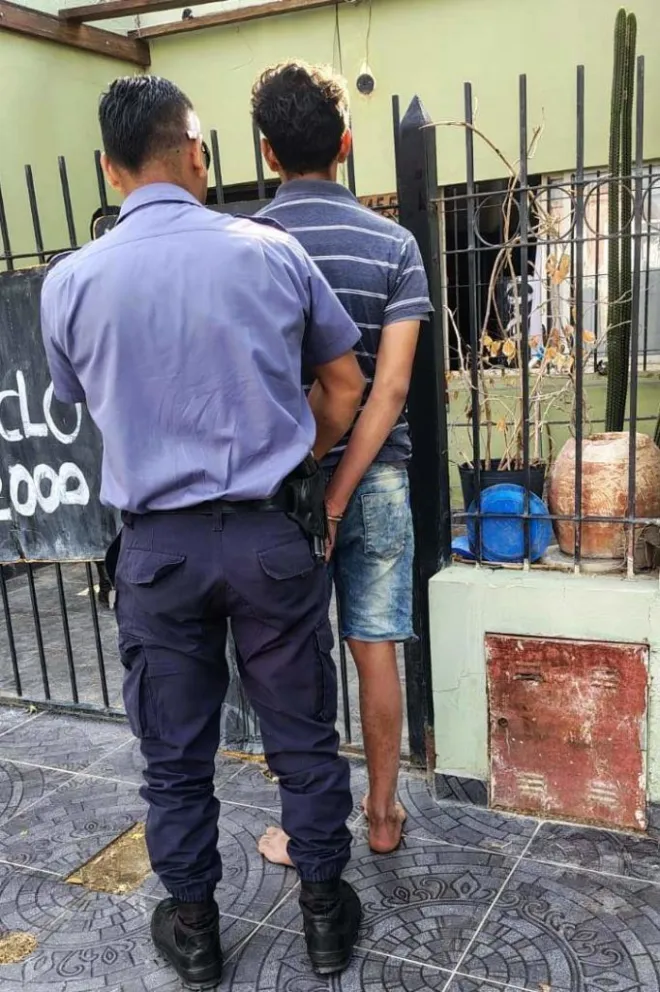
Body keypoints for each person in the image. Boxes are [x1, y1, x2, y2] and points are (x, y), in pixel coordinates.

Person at [40, 74, 366, 989]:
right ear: (198, 153)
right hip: (268, 537)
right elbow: (343, 387)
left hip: (157, 552)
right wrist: (298, 449)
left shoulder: (71, 281)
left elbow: (80, 399)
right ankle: (326, 921)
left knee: (174, 758)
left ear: (110, 168)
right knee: (301, 741)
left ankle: (194, 930)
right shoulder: (271, 253)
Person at [252, 61, 432, 861]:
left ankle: (303, 826)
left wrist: (319, 491)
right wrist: (347, 492)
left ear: (266, 153)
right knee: (375, 645)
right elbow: (387, 392)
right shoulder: (395, 245)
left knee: (293, 656)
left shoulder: (248, 247)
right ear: (347, 144)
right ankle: (385, 814)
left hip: (284, 482)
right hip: (380, 476)